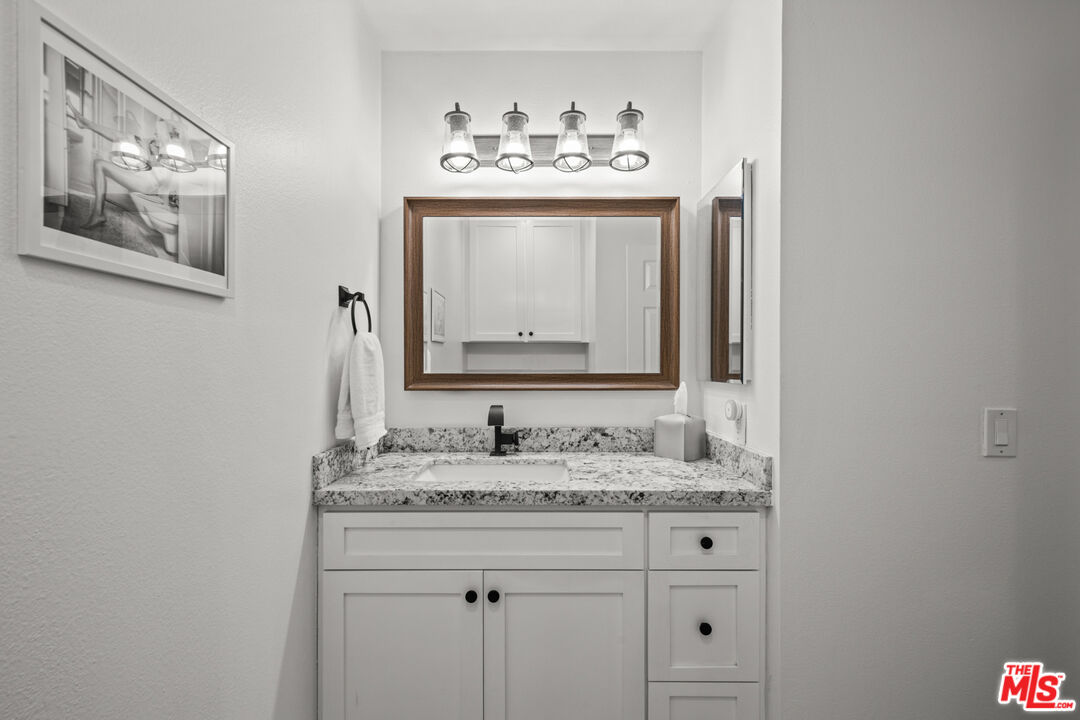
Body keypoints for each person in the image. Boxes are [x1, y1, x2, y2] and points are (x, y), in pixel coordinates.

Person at [66, 103, 175, 230]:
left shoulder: (170, 153)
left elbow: (163, 180)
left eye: (159, 135)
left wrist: (157, 154)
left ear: (167, 137)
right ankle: (86, 123)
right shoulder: (148, 141)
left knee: (100, 164)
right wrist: (144, 145)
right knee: (113, 147)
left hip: (149, 185)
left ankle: (98, 214)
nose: (155, 137)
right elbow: (119, 136)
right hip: (139, 177)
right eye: (155, 133)